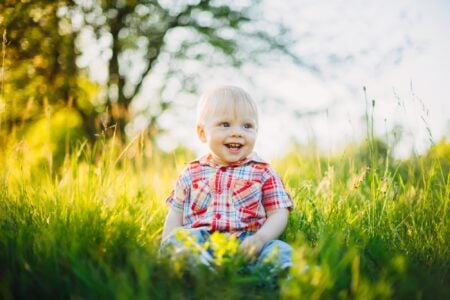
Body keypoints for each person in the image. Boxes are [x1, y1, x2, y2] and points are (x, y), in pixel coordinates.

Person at [160, 85, 294, 272]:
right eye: (225, 124)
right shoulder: (191, 173)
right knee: (179, 239)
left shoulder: (263, 171)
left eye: (247, 126)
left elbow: (279, 213)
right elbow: (175, 214)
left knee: (279, 250)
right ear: (202, 132)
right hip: (201, 240)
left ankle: (284, 276)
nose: (237, 132)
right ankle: (195, 268)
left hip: (247, 244)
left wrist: (261, 238)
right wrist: (169, 242)